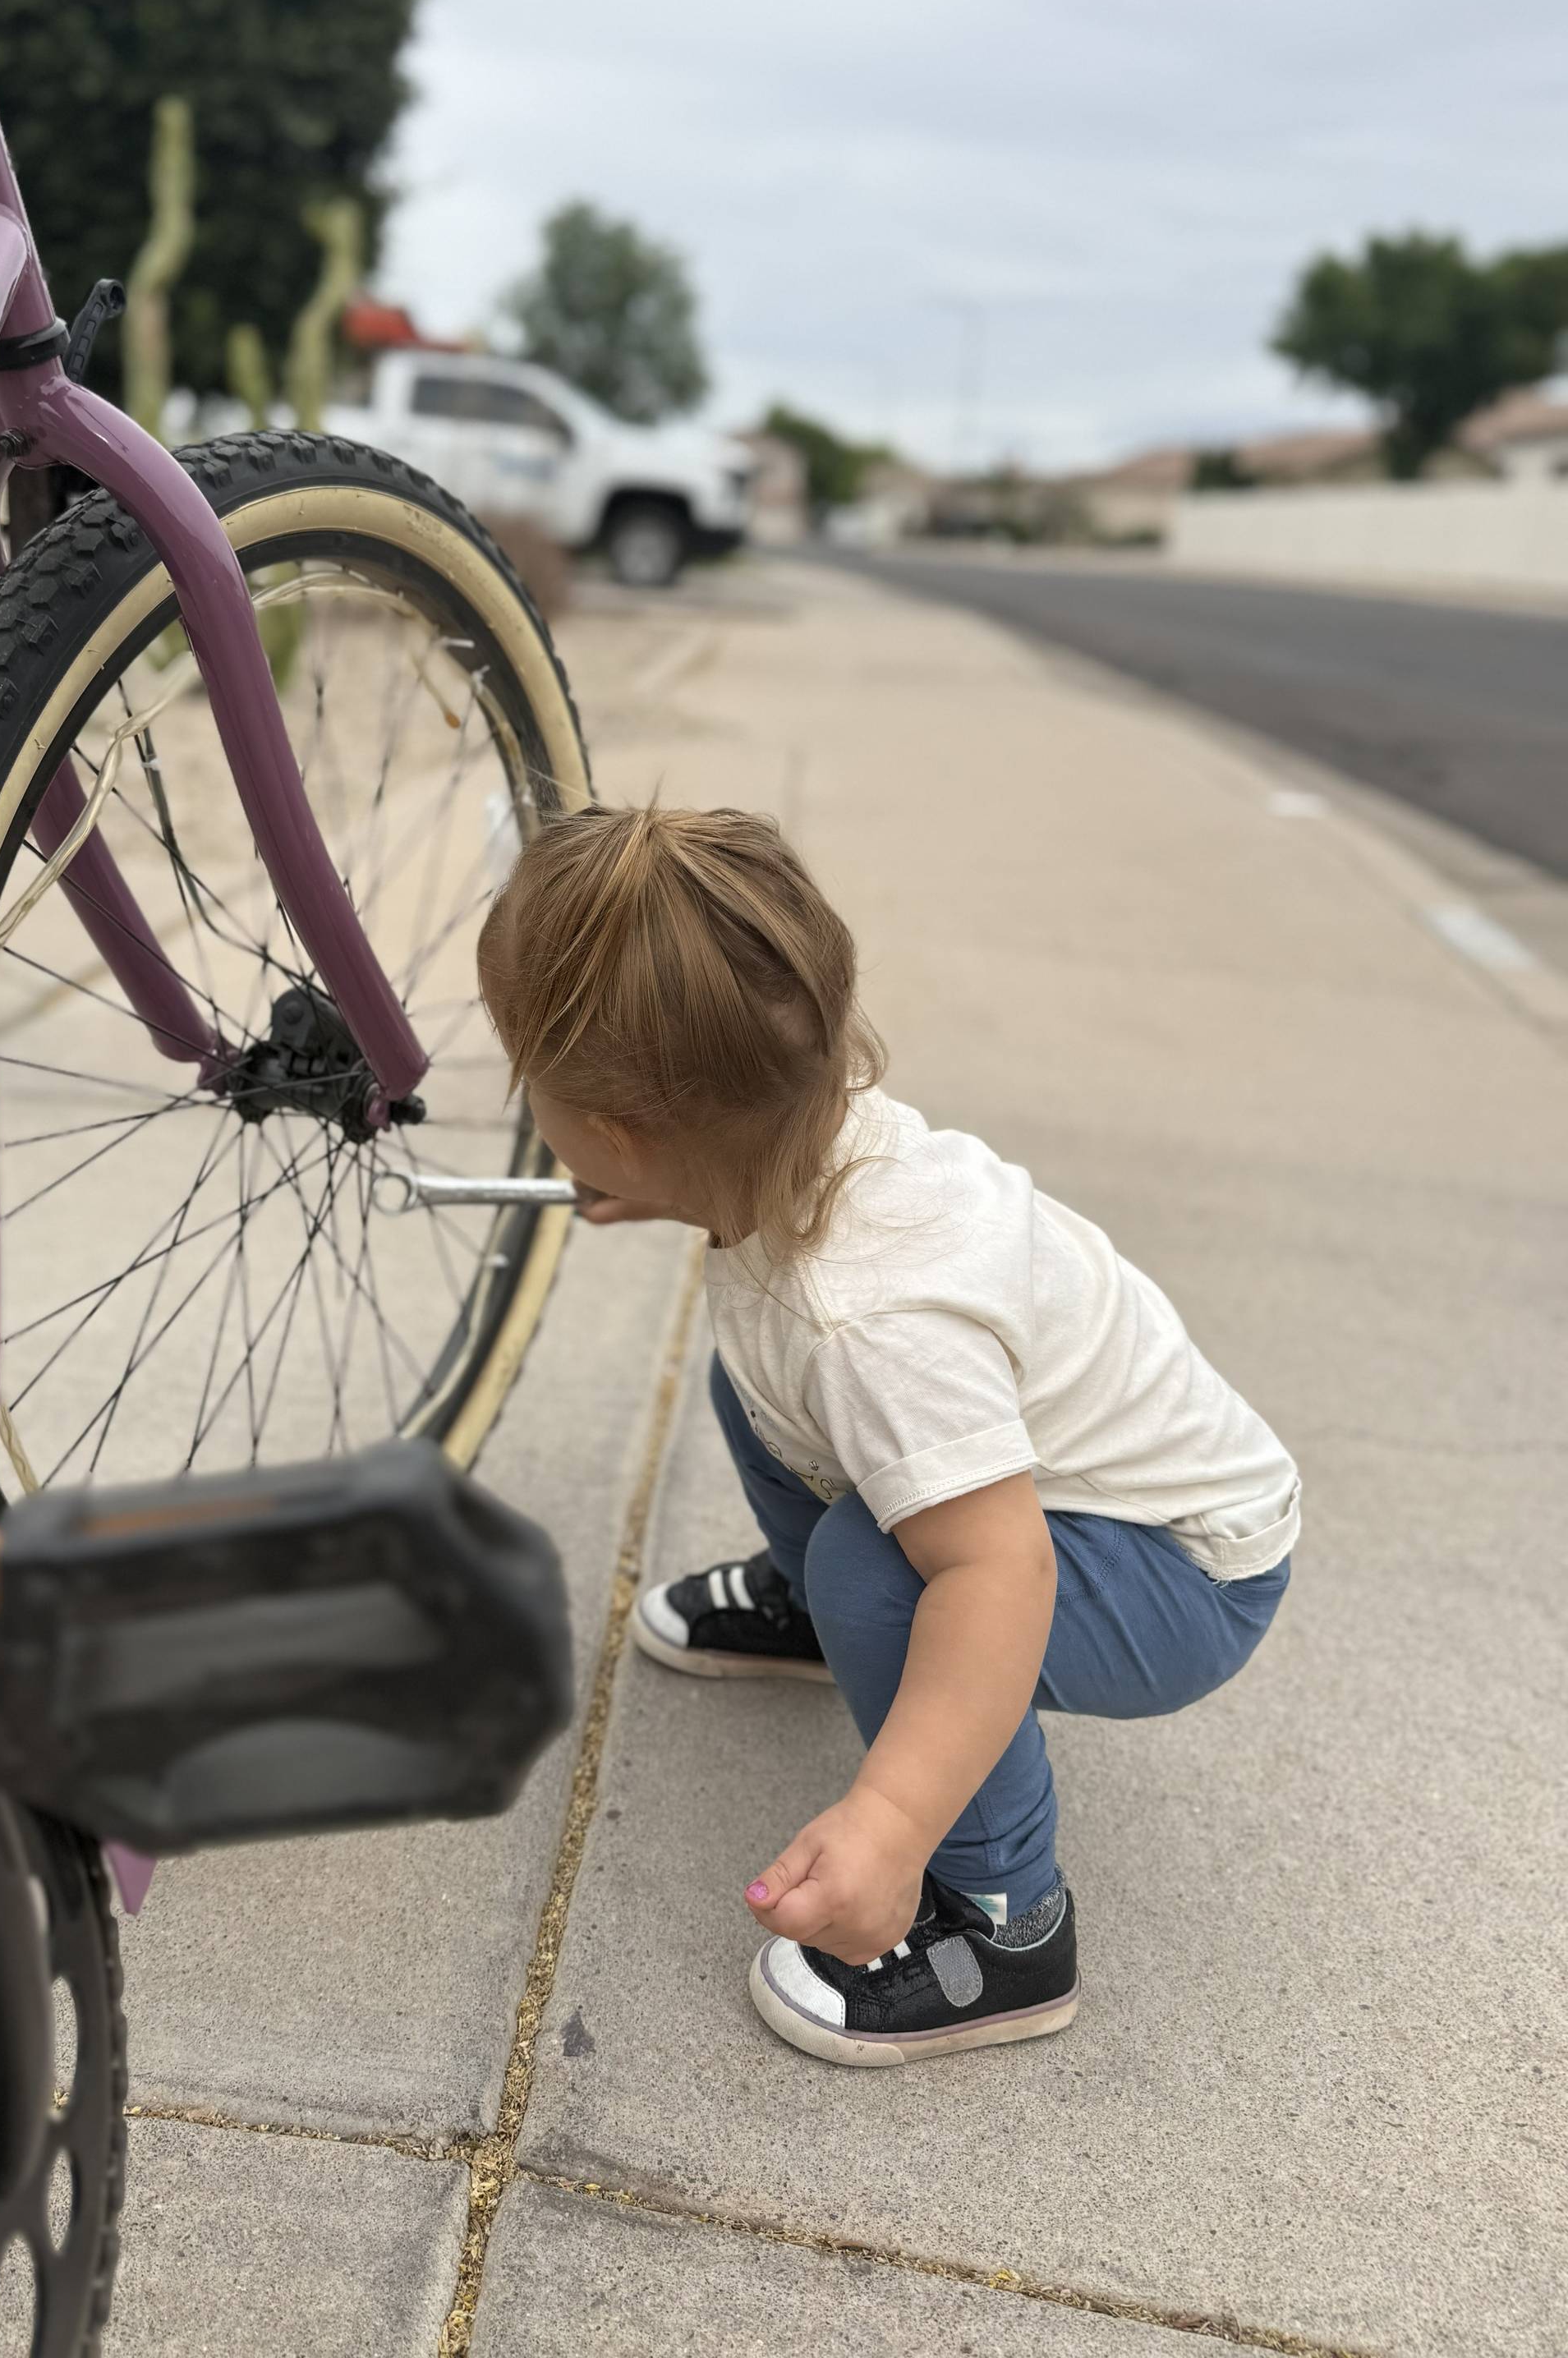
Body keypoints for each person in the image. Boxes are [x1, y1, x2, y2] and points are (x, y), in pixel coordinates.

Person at [476, 802, 1297, 2068]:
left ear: (624, 1132)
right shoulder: (799, 1149)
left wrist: (891, 1818)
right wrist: (664, 1186)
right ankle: (833, 1619)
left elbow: (1000, 1572)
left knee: (891, 1571)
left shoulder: (873, 1320)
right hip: (1087, 1496)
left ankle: (1008, 1921)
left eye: (530, 1071)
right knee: (766, 1406)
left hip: (1186, 1571)